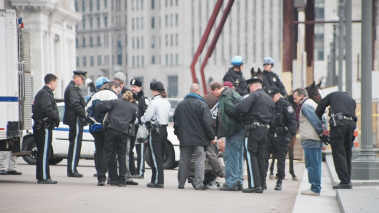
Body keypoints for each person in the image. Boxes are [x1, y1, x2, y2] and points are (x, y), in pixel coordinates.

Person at [235, 76, 274, 193]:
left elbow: (241, 108)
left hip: (253, 129)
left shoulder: (254, 95)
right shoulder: (268, 98)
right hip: (265, 130)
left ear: (253, 86)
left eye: (250, 86)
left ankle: (254, 185)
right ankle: (261, 184)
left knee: (251, 157)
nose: (249, 89)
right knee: (262, 158)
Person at [174, 84, 216, 190]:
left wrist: (179, 135)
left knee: (184, 161)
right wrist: (211, 137)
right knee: (199, 160)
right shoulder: (202, 105)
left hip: (185, 139)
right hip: (199, 139)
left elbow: (176, 123)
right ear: (197, 91)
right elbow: (208, 123)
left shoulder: (180, 105)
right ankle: (198, 184)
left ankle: (181, 183)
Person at [95, 90, 137, 186]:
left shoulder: (115, 102)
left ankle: (101, 178)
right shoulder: (133, 107)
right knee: (122, 156)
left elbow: (100, 106)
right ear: (131, 99)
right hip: (123, 133)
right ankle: (122, 180)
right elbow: (133, 120)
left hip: (111, 130)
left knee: (107, 154)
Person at [316, 91, 357, 189]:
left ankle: (344, 181)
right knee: (347, 152)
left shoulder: (332, 95)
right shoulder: (351, 100)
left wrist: (319, 117)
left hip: (338, 124)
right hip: (351, 124)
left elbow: (321, 105)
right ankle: (347, 179)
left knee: (338, 152)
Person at [210, 82, 244, 191]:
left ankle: (231, 183)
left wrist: (228, 129)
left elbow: (233, 111)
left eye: (213, 93)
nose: (214, 95)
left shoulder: (225, 97)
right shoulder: (233, 93)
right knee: (238, 157)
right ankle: (238, 181)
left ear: (216, 89)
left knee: (230, 157)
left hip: (233, 131)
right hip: (239, 130)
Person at [293, 88, 327, 196]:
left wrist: (321, 134)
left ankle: (315, 188)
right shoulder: (311, 103)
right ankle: (315, 187)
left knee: (312, 164)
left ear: (302, 96)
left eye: (295, 97)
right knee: (314, 164)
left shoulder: (306, 105)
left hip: (311, 139)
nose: (294, 100)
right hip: (313, 138)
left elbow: (315, 120)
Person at [86, 78, 118, 186]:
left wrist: (94, 122)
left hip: (96, 128)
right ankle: (112, 178)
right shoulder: (113, 96)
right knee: (111, 152)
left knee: (99, 151)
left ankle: (101, 177)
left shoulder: (95, 96)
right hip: (110, 128)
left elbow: (87, 111)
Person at [141, 81, 171, 188]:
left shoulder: (154, 102)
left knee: (154, 156)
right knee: (160, 156)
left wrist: (141, 119)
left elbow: (147, 117)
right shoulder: (166, 101)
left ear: (153, 90)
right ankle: (156, 179)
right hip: (164, 130)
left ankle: (158, 180)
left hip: (155, 131)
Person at [267, 88, 297, 191]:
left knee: (281, 160)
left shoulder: (286, 105)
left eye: (273, 96)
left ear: (278, 95)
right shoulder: (270, 105)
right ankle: (262, 180)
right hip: (271, 135)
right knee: (265, 157)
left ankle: (279, 180)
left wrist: (289, 136)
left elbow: (293, 123)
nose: (271, 99)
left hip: (282, 136)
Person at [32, 74, 60, 184]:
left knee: (43, 152)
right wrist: (56, 117)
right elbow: (48, 109)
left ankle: (43, 176)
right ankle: (43, 177)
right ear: (51, 82)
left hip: (43, 126)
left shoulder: (44, 93)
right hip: (44, 127)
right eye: (56, 82)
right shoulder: (45, 94)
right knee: (44, 153)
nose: (56, 85)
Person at [63, 70, 87, 177]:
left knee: (76, 144)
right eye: (82, 79)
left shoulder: (73, 88)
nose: (82, 81)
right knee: (75, 145)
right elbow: (75, 104)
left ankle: (73, 168)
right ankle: (72, 169)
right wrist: (85, 114)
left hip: (76, 119)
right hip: (75, 119)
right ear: (76, 78)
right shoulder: (72, 88)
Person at [129, 78, 148, 178]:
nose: (133, 89)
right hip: (130, 128)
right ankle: (132, 170)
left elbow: (146, 114)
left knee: (140, 151)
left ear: (140, 87)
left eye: (135, 87)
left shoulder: (143, 99)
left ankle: (140, 172)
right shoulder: (129, 98)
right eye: (132, 87)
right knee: (129, 150)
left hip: (140, 128)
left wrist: (139, 120)